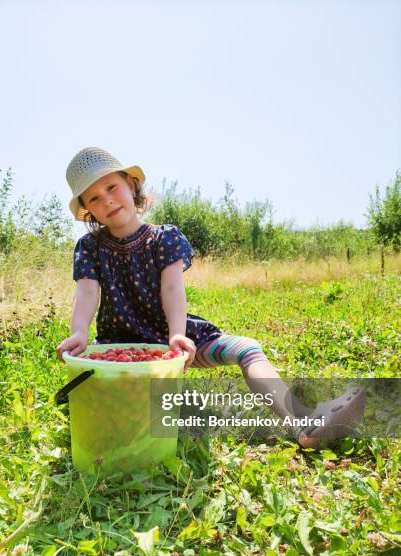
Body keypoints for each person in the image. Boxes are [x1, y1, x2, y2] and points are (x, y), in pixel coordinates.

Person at [56, 147, 365, 448]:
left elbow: (172, 289)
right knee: (93, 386)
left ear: (131, 184)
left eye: (112, 186)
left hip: (174, 338)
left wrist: (177, 333)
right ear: (88, 210)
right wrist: (79, 333)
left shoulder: (164, 237)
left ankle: (302, 422)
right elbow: (87, 290)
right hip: (120, 347)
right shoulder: (90, 246)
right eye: (94, 198)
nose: (107, 200)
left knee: (246, 349)